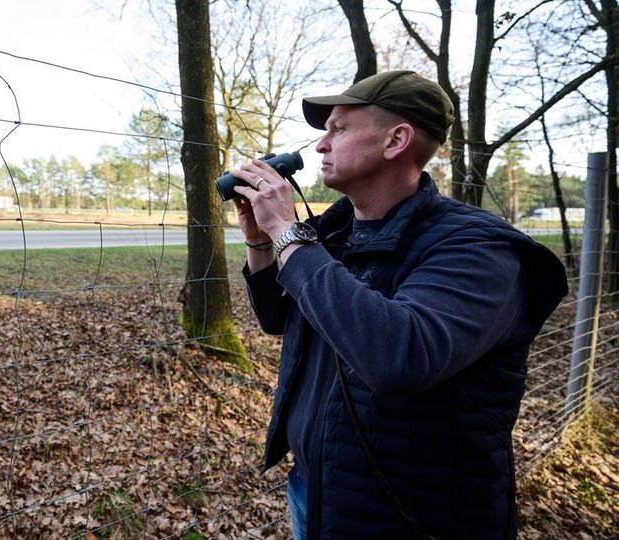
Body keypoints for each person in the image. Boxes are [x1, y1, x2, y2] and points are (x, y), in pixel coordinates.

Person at [229, 70, 567, 539]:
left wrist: (288, 234)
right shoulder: (334, 231)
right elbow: (278, 319)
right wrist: (262, 242)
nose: (321, 145)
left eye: (339, 128)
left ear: (396, 140)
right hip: (319, 492)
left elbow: (400, 357)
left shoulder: (477, 249)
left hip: (413, 518)